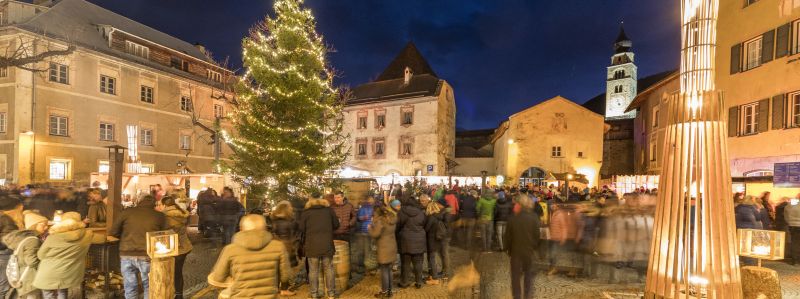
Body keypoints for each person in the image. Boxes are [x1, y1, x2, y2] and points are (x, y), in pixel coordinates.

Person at [208, 214, 292, 298]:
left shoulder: (230, 249)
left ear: (242, 229)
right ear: (265, 228)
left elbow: (218, 278)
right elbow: (286, 276)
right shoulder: (278, 246)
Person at [109, 195, 167, 299]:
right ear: (154, 204)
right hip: (148, 254)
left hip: (127, 253)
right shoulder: (159, 216)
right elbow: (164, 235)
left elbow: (113, 232)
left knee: (130, 286)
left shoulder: (127, 212)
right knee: (149, 286)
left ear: (138, 201)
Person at [33, 212, 92, 299]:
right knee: (63, 291)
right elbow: (102, 238)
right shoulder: (87, 236)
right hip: (68, 273)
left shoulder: (53, 237)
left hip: (49, 273)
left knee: (48, 294)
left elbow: (40, 255)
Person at [299, 195, 339, 299]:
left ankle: (314, 294)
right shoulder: (329, 211)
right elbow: (336, 225)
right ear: (322, 201)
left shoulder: (306, 212)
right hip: (327, 244)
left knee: (313, 270)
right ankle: (331, 294)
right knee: (329, 269)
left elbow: (301, 228)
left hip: (312, 245)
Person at [2, 211, 48, 298]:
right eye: (43, 224)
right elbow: (31, 261)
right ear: (34, 225)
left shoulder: (24, 237)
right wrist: (44, 265)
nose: (46, 227)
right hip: (30, 278)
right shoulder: (33, 240)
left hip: (22, 275)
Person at [505, 194, 540, 299]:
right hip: (528, 251)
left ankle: (517, 296)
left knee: (515, 276)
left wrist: (509, 251)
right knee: (528, 274)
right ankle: (527, 295)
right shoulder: (534, 217)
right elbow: (537, 235)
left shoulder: (513, 218)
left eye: (516, 204)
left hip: (516, 252)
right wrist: (533, 246)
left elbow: (507, 237)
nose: (514, 206)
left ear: (519, 205)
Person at [158, 196, 193, 299]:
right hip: (184, 247)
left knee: (168, 271)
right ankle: (179, 295)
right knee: (178, 272)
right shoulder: (181, 213)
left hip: (172, 247)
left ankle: (169, 293)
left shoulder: (164, 215)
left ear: (164, 205)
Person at [396, 195, 426, 289]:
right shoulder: (421, 212)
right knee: (418, 263)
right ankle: (419, 282)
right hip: (419, 240)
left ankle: (404, 282)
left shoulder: (401, 212)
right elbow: (424, 224)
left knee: (405, 263)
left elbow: (398, 225)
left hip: (405, 240)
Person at [269, 201, 298, 296]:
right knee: (285, 267)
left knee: (277, 267)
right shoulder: (289, 221)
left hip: (275, 244)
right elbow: (293, 234)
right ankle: (284, 288)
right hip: (287, 245)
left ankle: (276, 287)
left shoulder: (274, 219)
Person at [369, 206, 397, 298]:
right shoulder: (392, 219)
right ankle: (390, 291)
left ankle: (384, 292)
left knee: (384, 270)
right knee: (389, 270)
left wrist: (370, 228)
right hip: (392, 246)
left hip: (383, 248)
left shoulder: (380, 221)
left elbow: (375, 234)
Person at [0, 193, 21, 298]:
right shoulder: (6, 218)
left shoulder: (5, 219)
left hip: (3, 251)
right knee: (3, 281)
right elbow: (12, 235)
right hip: (4, 251)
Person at [423, 200, 445, 285]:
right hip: (436, 241)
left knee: (431, 259)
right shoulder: (438, 216)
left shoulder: (431, 217)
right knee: (431, 258)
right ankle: (431, 275)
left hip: (431, 241)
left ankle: (435, 278)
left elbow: (426, 229)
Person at [353, 196, 375, 280]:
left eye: (372, 201)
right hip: (362, 232)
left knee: (368, 251)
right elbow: (358, 218)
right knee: (362, 251)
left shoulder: (374, 209)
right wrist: (363, 218)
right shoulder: (362, 209)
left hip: (371, 232)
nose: (371, 202)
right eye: (369, 201)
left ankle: (368, 268)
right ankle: (362, 268)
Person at [785, 197, 800, 265]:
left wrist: (789, 222)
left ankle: (794, 260)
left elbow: (786, 215)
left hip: (792, 225)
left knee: (794, 242)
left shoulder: (791, 204)